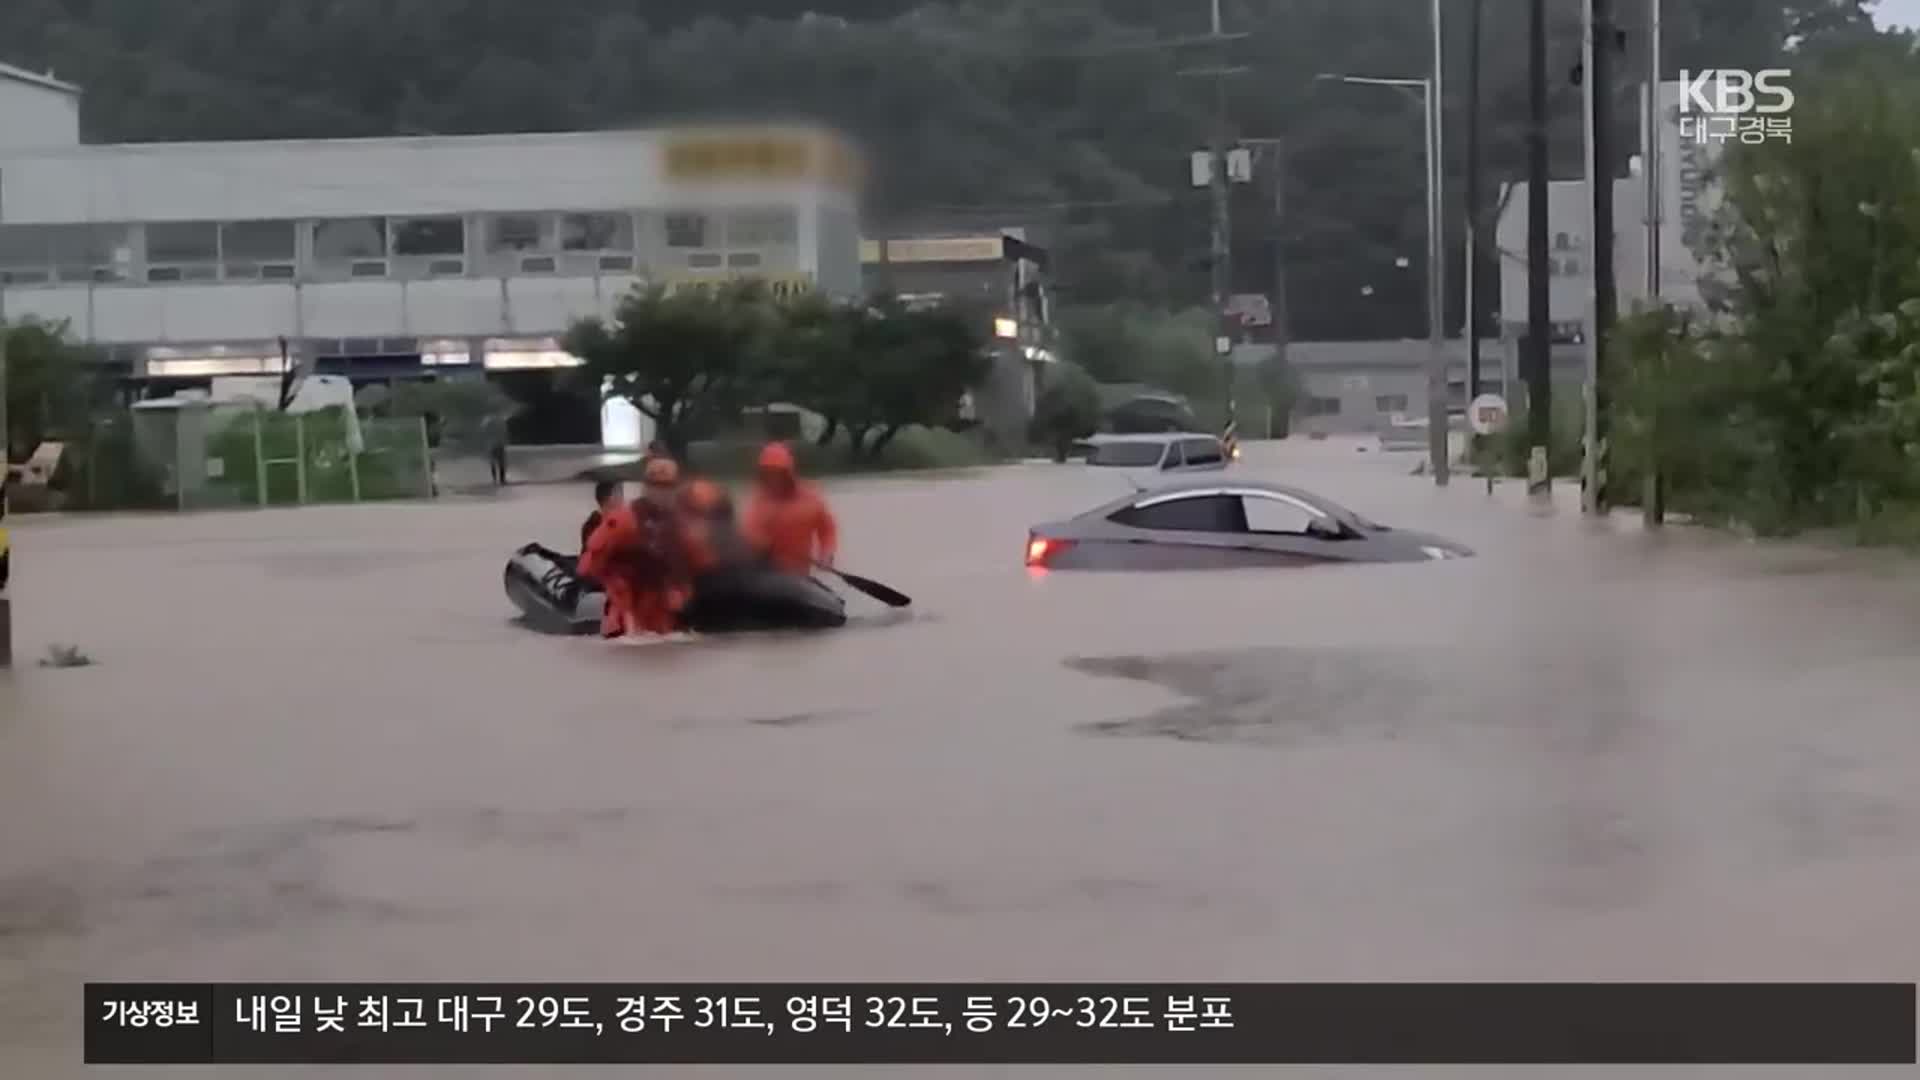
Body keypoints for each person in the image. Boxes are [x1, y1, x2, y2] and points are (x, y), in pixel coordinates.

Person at [578, 457, 693, 638]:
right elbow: (589, 566)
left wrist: (680, 589)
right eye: (657, 487)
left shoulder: (682, 524)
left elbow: (692, 563)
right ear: (646, 487)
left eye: (668, 487)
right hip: (627, 606)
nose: (663, 493)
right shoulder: (624, 521)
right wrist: (616, 581)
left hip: (662, 607)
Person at [742, 441, 838, 575]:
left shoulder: (810, 497)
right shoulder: (758, 501)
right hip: (767, 573)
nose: (773, 478)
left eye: (777, 473)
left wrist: (827, 553)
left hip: (800, 572)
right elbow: (749, 533)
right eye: (768, 473)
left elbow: (827, 529)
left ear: (788, 473)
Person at [580, 480, 621, 554]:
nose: (622, 499)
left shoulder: (615, 523)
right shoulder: (591, 526)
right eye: (619, 494)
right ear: (610, 498)